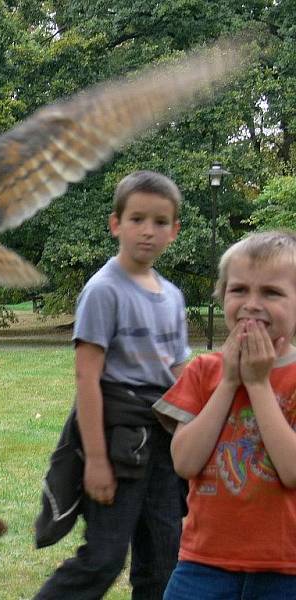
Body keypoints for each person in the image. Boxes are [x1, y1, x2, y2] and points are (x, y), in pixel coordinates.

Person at [34, 170, 190, 599]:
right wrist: (97, 461)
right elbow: (87, 377)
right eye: (137, 219)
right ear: (115, 223)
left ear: (175, 230)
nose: (148, 231)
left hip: (165, 441)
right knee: (103, 557)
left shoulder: (173, 296)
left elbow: (179, 375)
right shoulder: (104, 289)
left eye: (160, 222)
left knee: (163, 560)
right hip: (118, 437)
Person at [154, 230, 296, 599]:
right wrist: (230, 381)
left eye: (271, 292)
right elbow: (184, 462)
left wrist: (259, 385)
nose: (252, 304)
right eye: (239, 290)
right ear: (221, 297)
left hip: (285, 568)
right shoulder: (203, 371)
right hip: (202, 563)